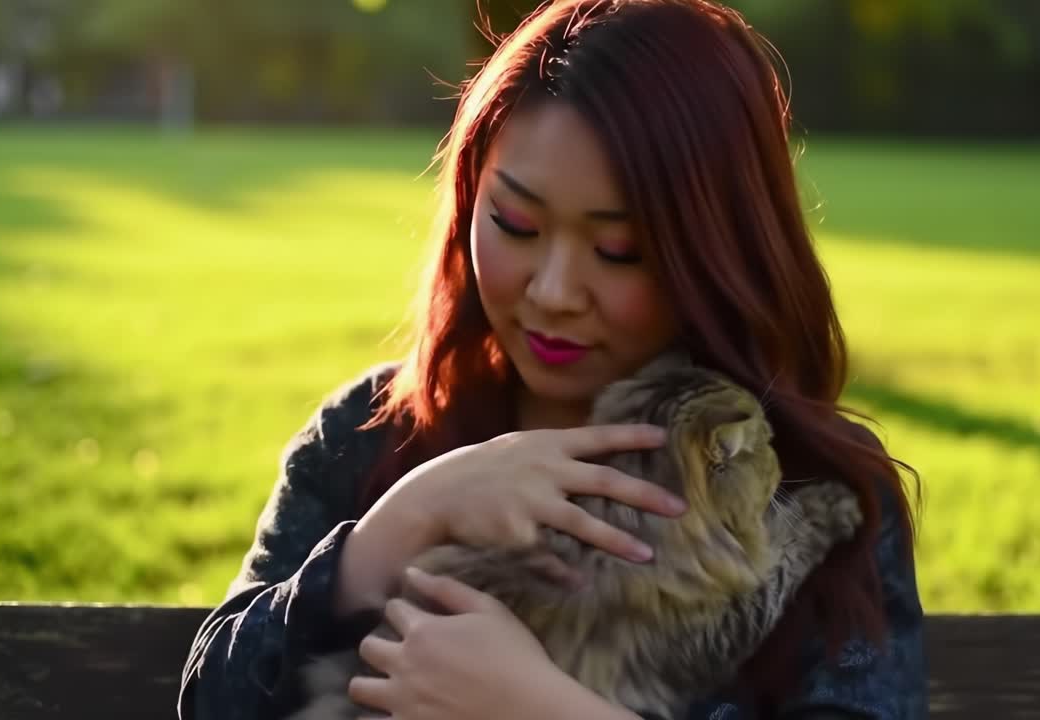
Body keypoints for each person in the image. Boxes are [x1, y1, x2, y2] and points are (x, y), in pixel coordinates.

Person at [177, 1, 926, 718]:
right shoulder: (371, 436)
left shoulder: (811, 492)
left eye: (617, 250)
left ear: (717, 249)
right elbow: (210, 700)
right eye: (515, 223)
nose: (554, 291)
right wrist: (394, 528)